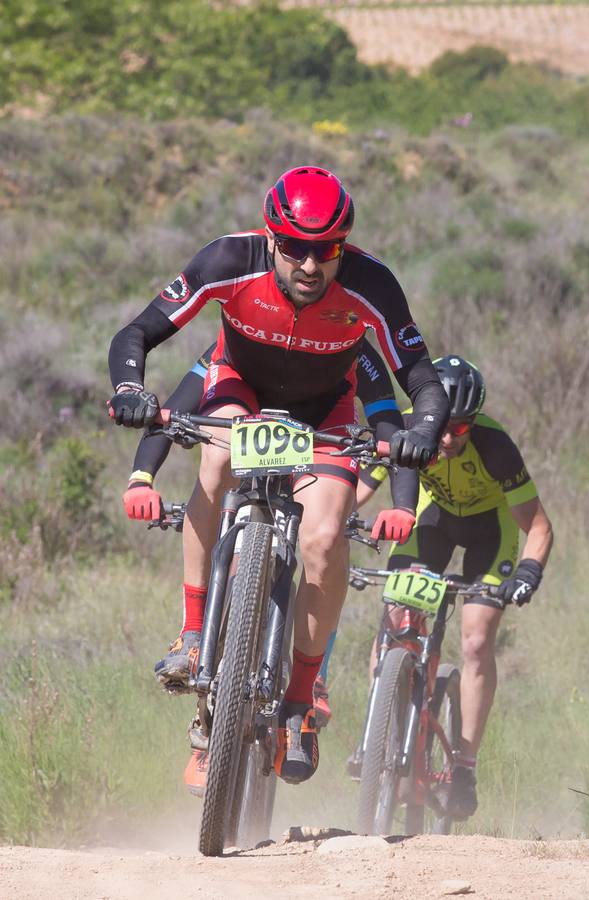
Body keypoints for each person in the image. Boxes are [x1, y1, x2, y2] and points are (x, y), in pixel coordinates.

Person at [106, 165, 447, 788]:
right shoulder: (225, 261)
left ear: (343, 247)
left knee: (323, 537)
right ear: (271, 240)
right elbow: (137, 332)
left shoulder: (373, 285)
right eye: (294, 248)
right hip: (241, 388)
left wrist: (421, 431)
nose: (311, 266)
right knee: (216, 460)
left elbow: (419, 379)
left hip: (328, 413)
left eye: (327, 251)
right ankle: (191, 633)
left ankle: (298, 701)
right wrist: (130, 386)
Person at [122, 341, 413, 734]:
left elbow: (391, 428)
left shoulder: (353, 344)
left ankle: (304, 695)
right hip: (247, 445)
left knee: (326, 543)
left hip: (321, 440)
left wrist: (404, 504)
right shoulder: (242, 332)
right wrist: (141, 478)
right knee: (219, 479)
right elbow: (174, 409)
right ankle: (194, 647)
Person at [357, 355, 553, 819]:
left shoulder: (495, 445)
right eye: (442, 425)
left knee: (476, 638)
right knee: (396, 618)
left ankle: (464, 764)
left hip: (490, 531)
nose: (447, 439)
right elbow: (359, 487)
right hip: (434, 522)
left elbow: (540, 528)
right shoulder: (407, 430)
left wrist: (528, 574)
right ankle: (379, 735)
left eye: (460, 429)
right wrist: (337, 522)